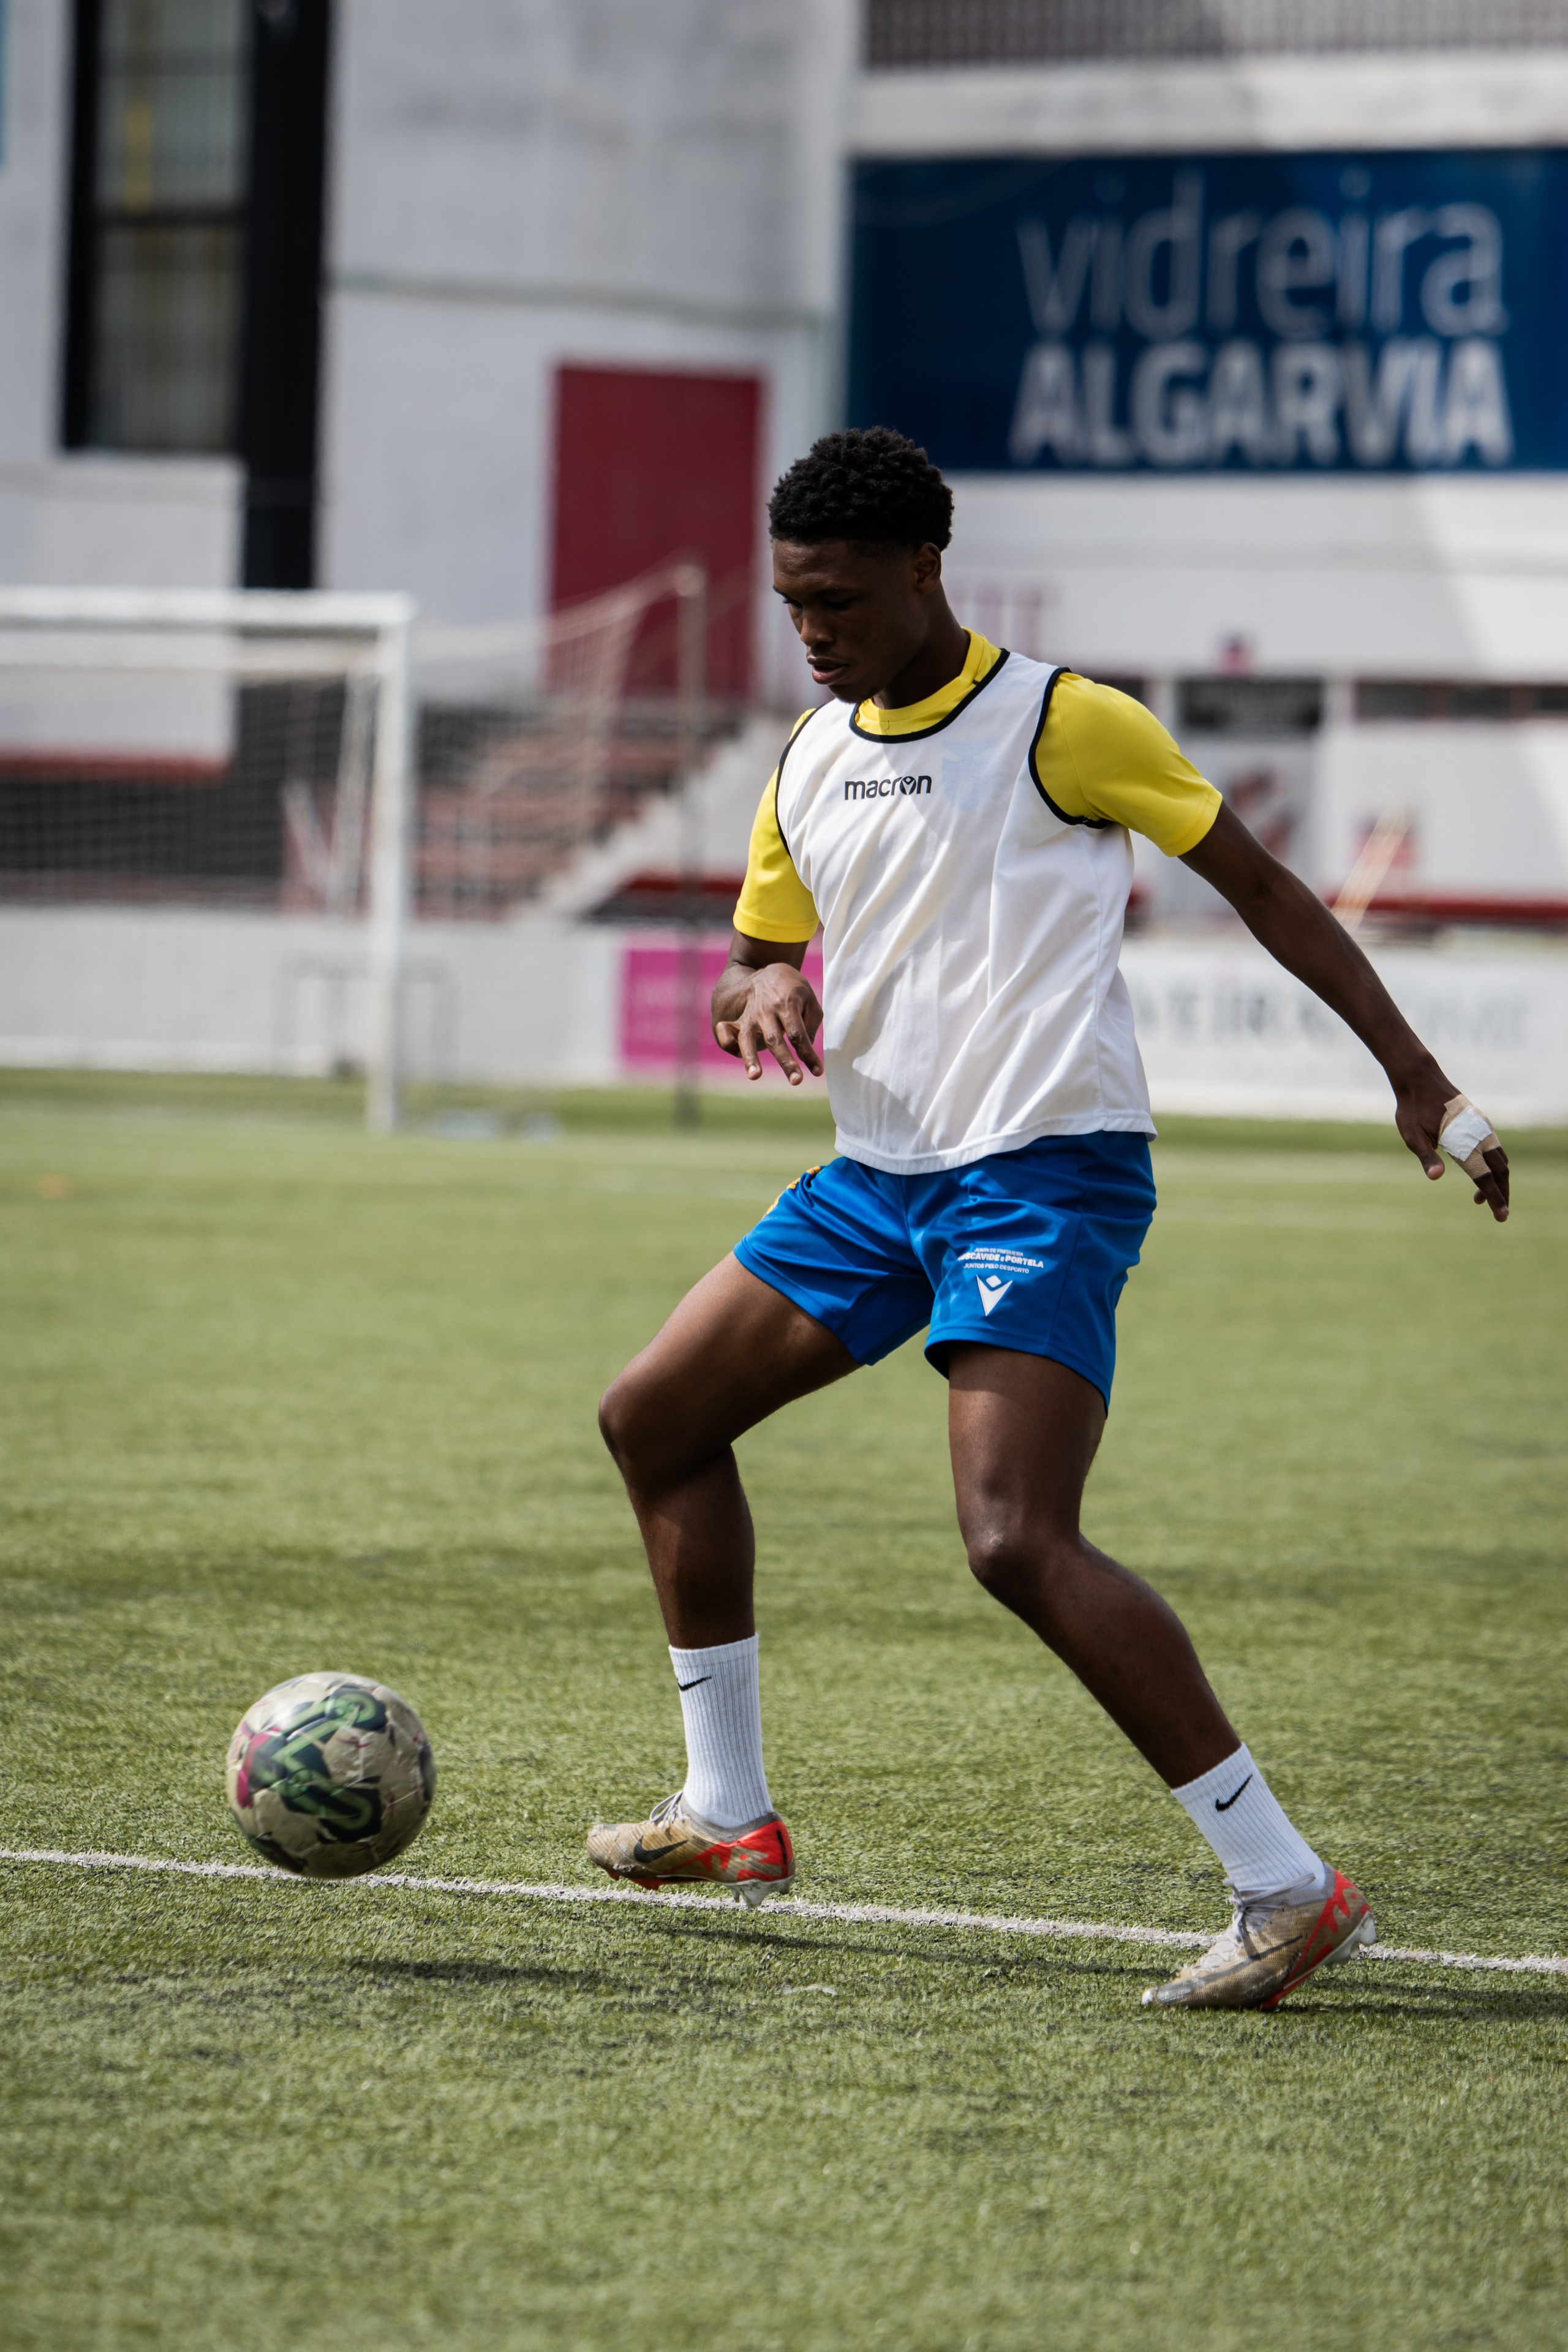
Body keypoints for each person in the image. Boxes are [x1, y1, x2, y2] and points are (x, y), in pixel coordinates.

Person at [590, 427, 1510, 2011]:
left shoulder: (1061, 724)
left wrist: (1418, 1079)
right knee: (655, 1416)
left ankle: (1287, 1889)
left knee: (1015, 1540)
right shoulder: (808, 757)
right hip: (878, 1182)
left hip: (1044, 1170)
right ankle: (729, 1814)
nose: (815, 630)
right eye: (793, 601)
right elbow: (761, 946)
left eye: (842, 599)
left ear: (927, 570)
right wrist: (758, 991)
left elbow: (1269, 889)